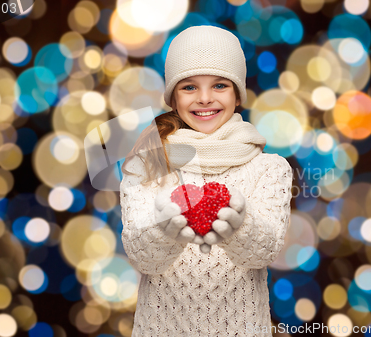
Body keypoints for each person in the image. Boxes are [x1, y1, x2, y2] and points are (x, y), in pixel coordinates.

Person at [120, 25, 293, 336]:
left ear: (237, 93)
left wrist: (240, 224)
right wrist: (164, 226)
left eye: (219, 85)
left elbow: (265, 251)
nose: (204, 98)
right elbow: (141, 256)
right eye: (189, 87)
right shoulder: (147, 163)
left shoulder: (270, 168)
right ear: (173, 97)